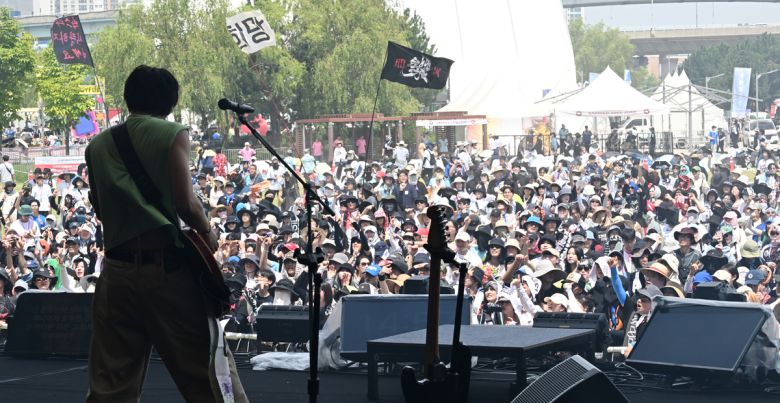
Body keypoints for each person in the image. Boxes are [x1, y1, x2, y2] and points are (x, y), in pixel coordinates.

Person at [84, 65, 247, 402]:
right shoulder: (172, 133)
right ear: (170, 101)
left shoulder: (96, 146)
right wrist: (208, 233)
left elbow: (100, 209)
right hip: (165, 272)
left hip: (116, 273)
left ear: (129, 97)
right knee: (206, 371)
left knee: (111, 382)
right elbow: (185, 203)